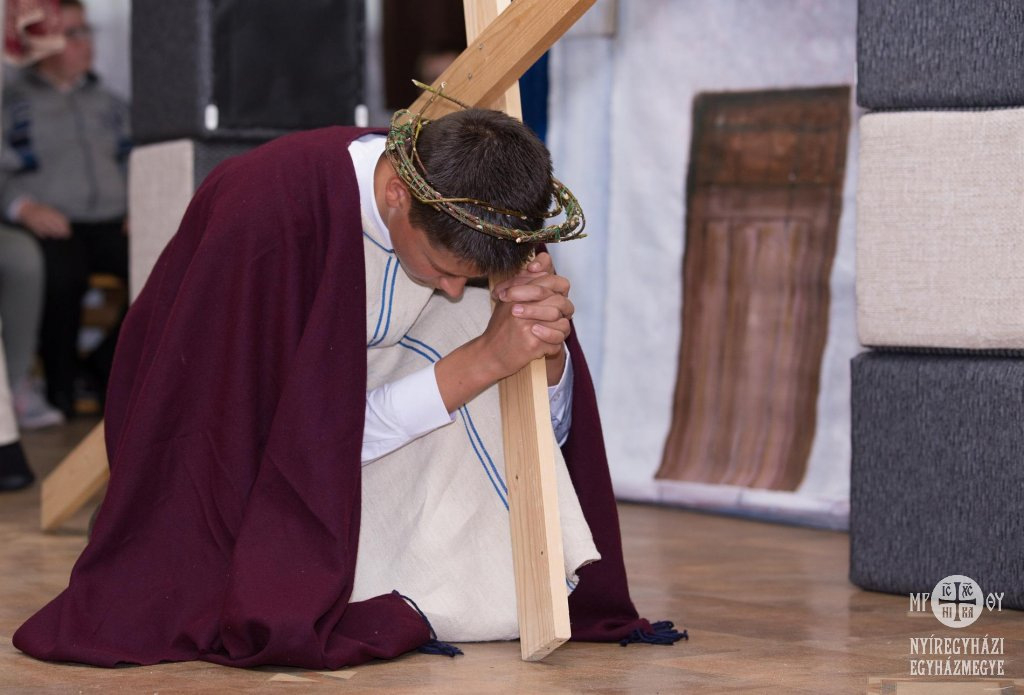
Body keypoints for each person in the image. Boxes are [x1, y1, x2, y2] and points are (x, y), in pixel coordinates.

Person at [14, 95, 684, 667]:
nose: (454, 287)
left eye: (469, 276)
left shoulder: (484, 218)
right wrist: (482, 360)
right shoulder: (267, 212)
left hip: (375, 463)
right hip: (261, 489)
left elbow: (549, 431)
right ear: (397, 194)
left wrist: (547, 359)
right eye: (442, 266)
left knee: (479, 325)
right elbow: (268, 451)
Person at [0, 0, 130, 419]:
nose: (84, 43)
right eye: (72, 34)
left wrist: (142, 203)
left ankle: (104, 368)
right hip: (53, 221)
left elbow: (138, 159)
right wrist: (22, 207)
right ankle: (61, 389)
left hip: (114, 220)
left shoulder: (111, 104)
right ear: (43, 43)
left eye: (86, 32)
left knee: (168, 264)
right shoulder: (13, 103)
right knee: (60, 275)